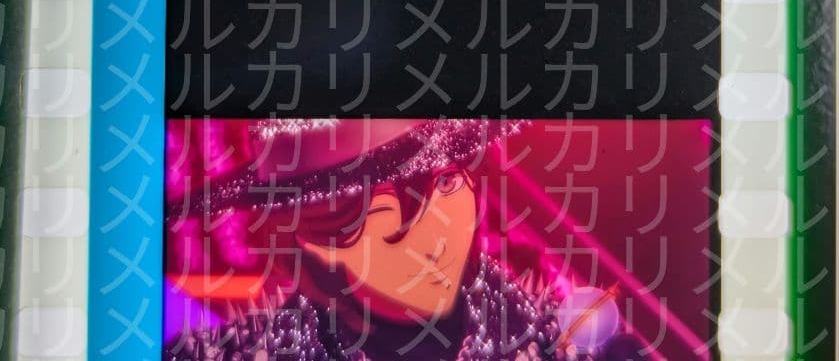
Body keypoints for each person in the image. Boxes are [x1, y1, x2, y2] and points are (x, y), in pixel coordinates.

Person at [165, 118, 632, 359]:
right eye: (385, 216)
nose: (438, 239)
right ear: (314, 235)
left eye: (448, 183)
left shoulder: (574, 348)